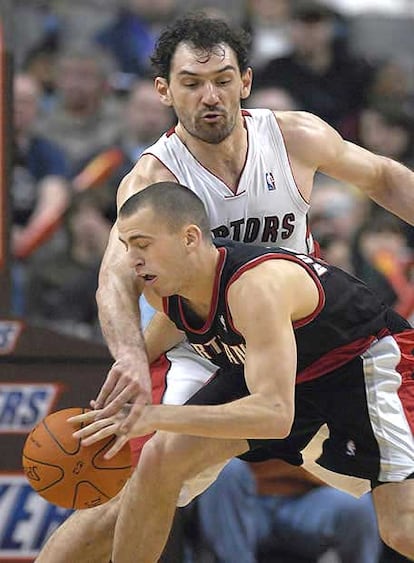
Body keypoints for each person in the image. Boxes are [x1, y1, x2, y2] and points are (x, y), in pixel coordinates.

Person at [35, 13, 414, 563]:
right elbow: (113, 280)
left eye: (222, 80)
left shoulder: (293, 137)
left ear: (246, 82)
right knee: (127, 493)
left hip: (316, 338)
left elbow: (384, 178)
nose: (210, 96)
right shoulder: (153, 181)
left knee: (399, 527)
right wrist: (130, 357)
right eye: (191, 83)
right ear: (164, 90)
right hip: (208, 350)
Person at [71, 181, 414, 562]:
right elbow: (169, 329)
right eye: (127, 245)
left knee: (401, 528)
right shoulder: (167, 288)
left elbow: (274, 416)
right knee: (160, 458)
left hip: (365, 362)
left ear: (188, 238)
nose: (132, 258)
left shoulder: (256, 287)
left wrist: (151, 415)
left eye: (142, 243)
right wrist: (113, 400)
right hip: (290, 375)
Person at [197, 457, 381, 563]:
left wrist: (263, 468)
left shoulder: (323, 396)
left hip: (303, 504)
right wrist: (295, 468)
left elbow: (335, 472)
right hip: (248, 508)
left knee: (358, 502)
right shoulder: (231, 395)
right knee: (226, 470)